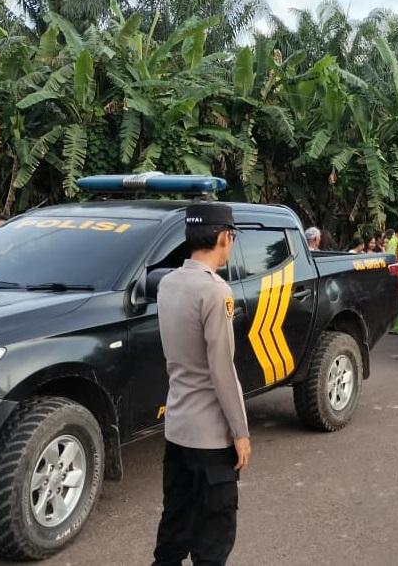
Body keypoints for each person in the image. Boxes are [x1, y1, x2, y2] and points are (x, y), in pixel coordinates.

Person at [153, 202, 250, 566]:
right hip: (210, 436)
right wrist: (240, 431)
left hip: (177, 427)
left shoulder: (169, 283)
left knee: (175, 519)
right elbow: (222, 370)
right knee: (213, 534)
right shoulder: (215, 292)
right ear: (225, 237)